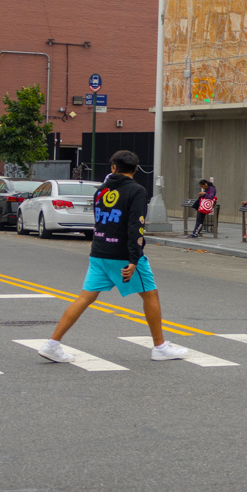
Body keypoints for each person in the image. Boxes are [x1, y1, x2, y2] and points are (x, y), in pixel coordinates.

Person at [39, 151, 187, 363]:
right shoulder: (136, 190)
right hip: (122, 255)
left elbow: (101, 220)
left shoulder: (100, 191)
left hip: (99, 252)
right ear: (135, 169)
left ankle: (52, 344)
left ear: (113, 168)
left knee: (84, 298)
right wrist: (134, 260)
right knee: (150, 295)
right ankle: (160, 347)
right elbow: (136, 226)